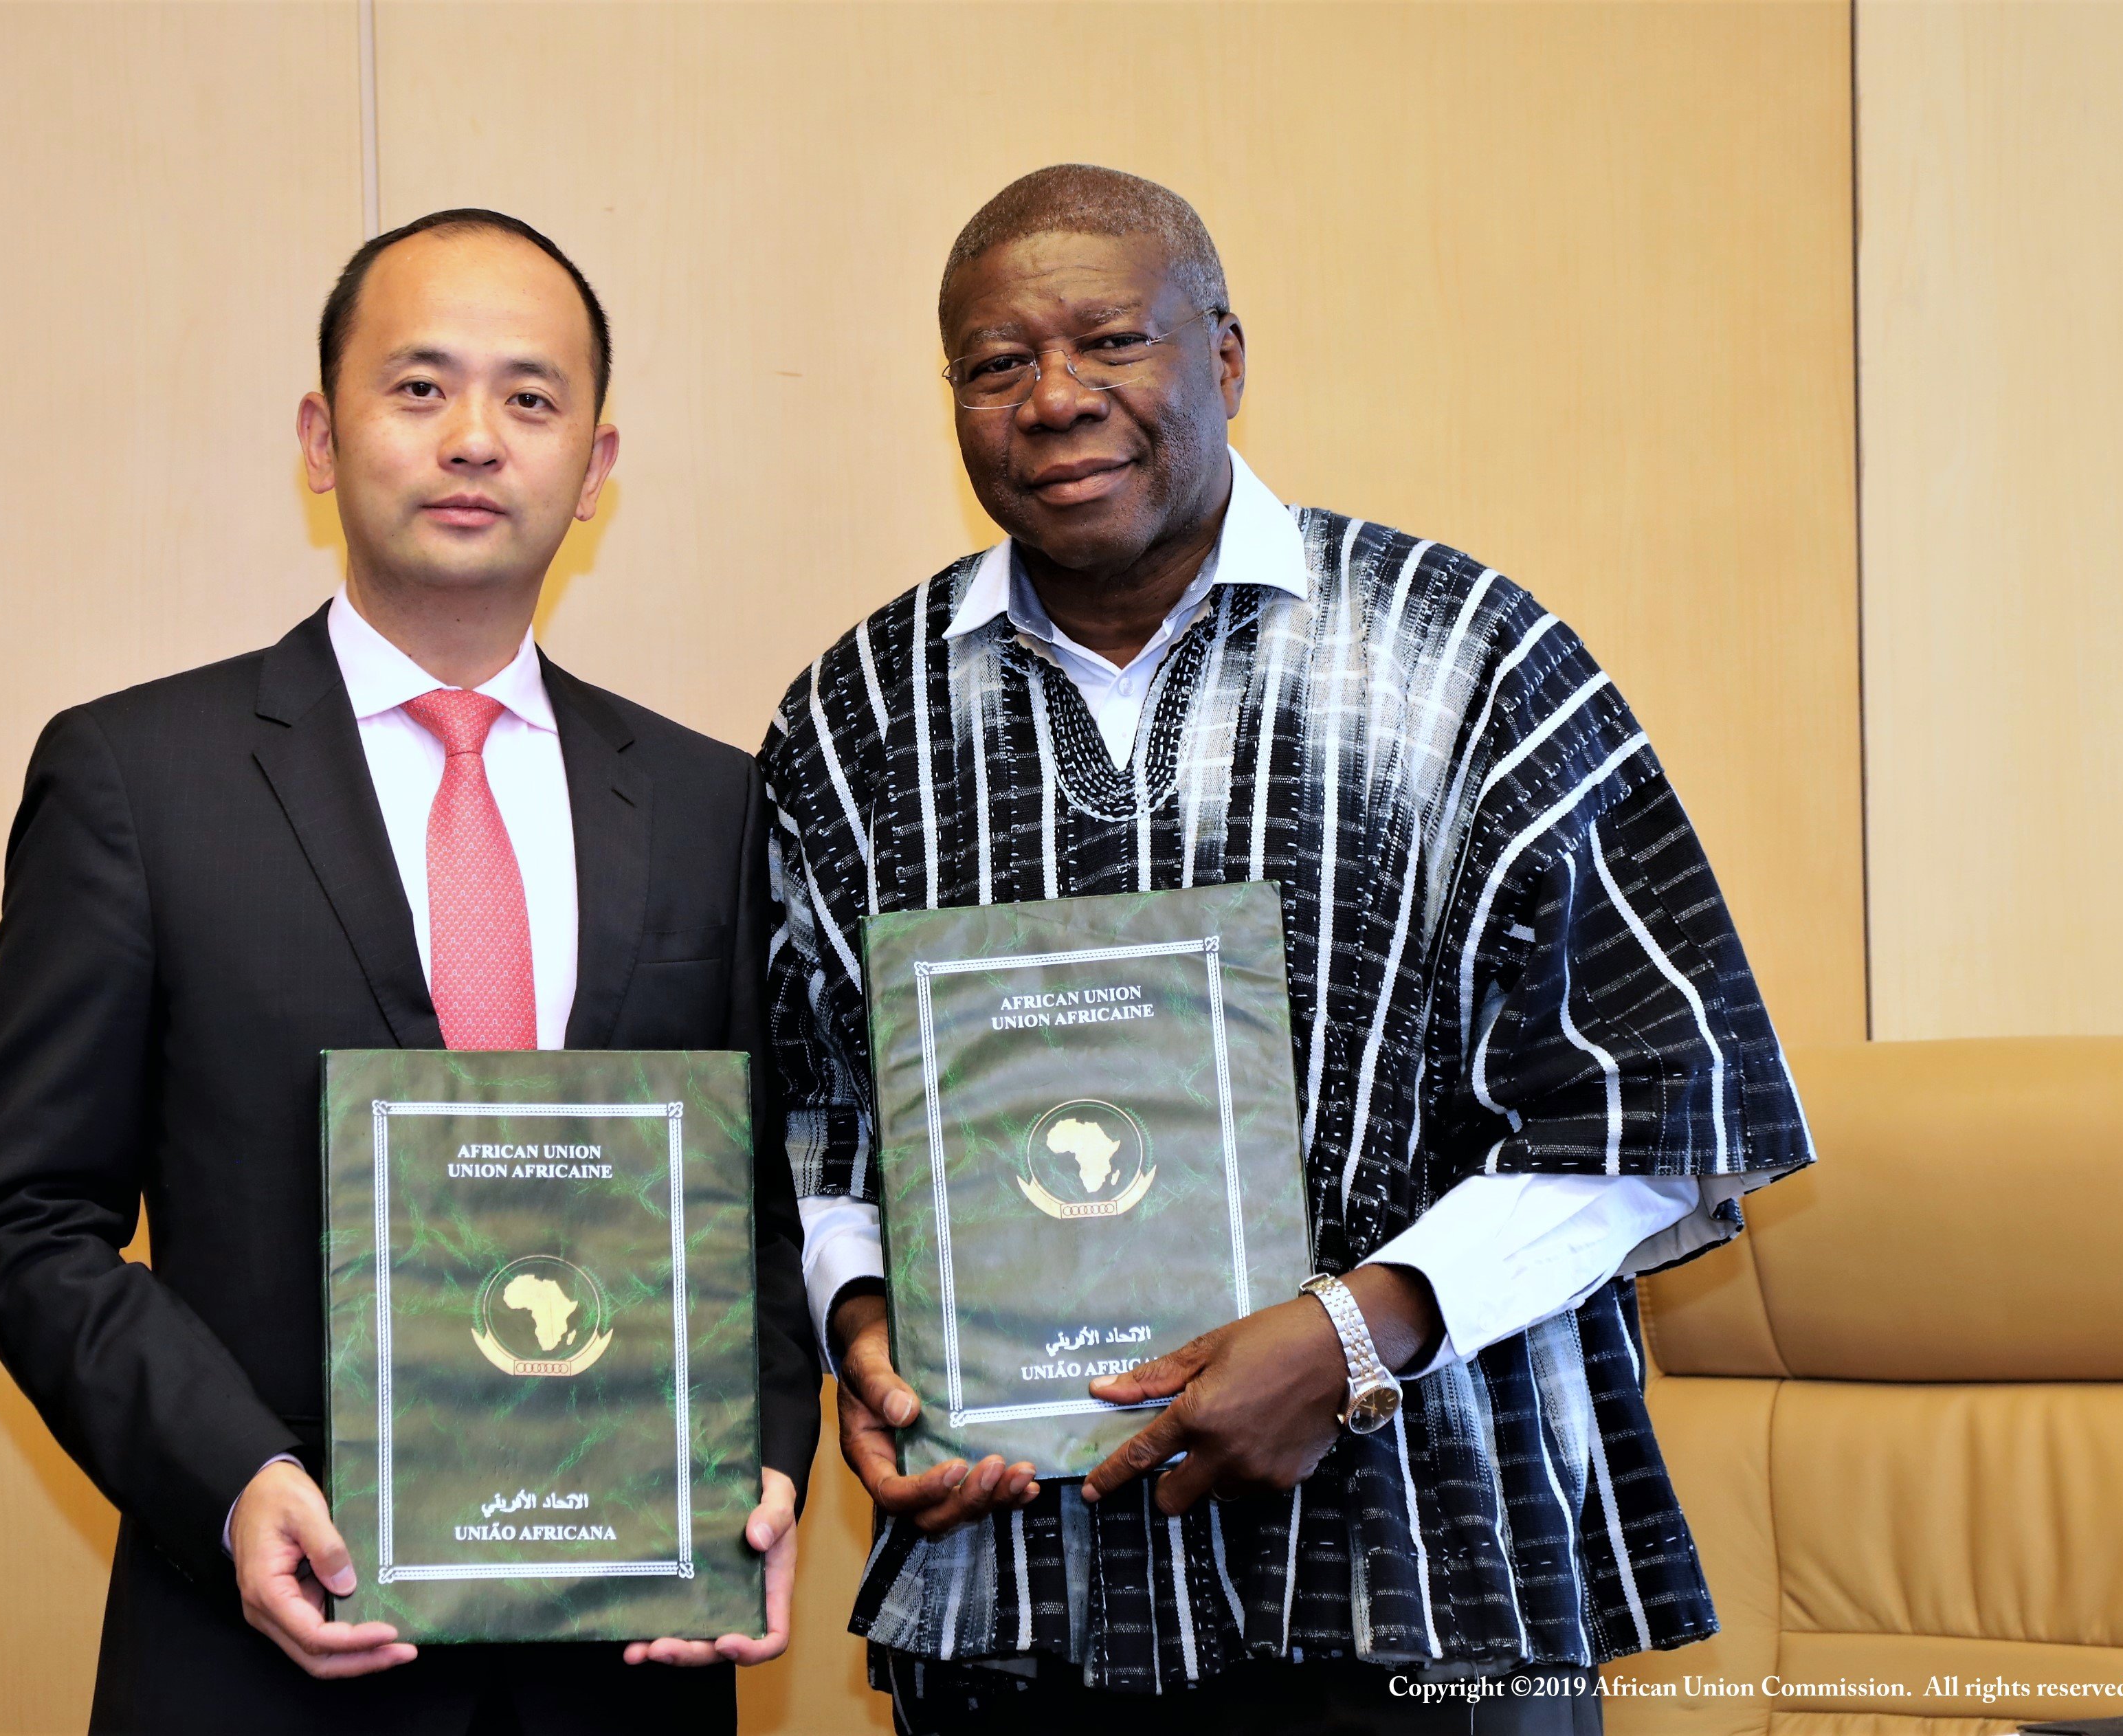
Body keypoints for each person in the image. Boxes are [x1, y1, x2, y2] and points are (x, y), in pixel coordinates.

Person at [764, 166, 1815, 1734]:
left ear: (1226, 357)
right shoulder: (855, 718)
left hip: (1428, 1564)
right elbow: (814, 1119)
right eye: (996, 365)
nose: (1053, 400)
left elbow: (1658, 1106)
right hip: (1022, 1584)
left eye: (1111, 341)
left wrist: (1354, 1333)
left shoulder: (1465, 656)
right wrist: (868, 1333)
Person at [0, 208, 819, 1735]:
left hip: (621, 1667)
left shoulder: (710, 802)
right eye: (418, 389)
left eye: (529, 399)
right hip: (265, 1655)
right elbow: (29, 1220)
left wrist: (759, 1456)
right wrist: (233, 1480)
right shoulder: (136, 781)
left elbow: (760, 1208)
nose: (473, 438)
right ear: (318, 434)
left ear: (596, 468)